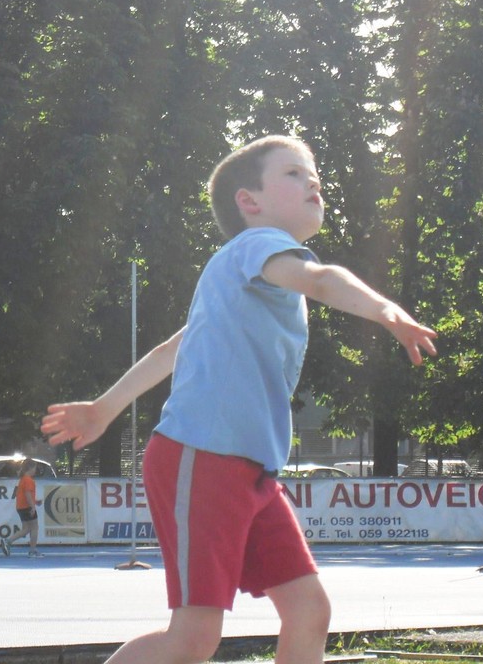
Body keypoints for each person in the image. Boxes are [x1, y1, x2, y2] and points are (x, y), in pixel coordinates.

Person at [41, 135, 438, 664]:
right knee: (193, 637)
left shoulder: (242, 286)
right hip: (200, 456)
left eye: (313, 174)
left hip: (251, 472)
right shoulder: (255, 247)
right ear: (249, 202)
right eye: (294, 174)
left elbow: (169, 351)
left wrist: (104, 408)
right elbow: (321, 278)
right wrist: (385, 310)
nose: (313, 182)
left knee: (308, 611)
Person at [0, 457, 41, 557]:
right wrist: (33, 507)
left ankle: (8, 541)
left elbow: (25, 495)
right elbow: (27, 494)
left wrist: (35, 501)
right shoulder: (28, 480)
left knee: (26, 528)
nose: (35, 471)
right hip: (27, 507)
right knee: (34, 527)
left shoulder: (23, 479)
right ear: (30, 468)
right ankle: (32, 551)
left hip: (21, 507)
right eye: (34, 468)